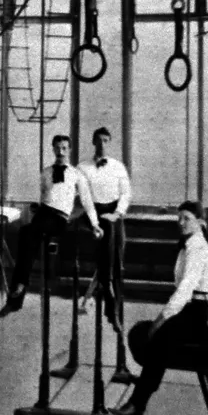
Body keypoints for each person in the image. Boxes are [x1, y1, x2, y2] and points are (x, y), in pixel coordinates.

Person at [111, 201, 208, 415]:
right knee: (142, 330)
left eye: (186, 218)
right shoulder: (190, 244)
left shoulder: (197, 248)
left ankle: (137, 403)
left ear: (200, 222)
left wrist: (163, 317)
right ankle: (148, 379)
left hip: (195, 311)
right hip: (191, 307)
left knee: (158, 335)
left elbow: (185, 290)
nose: (181, 223)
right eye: (179, 218)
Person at [0, 134, 102, 317]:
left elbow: (87, 202)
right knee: (26, 234)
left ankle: (20, 287)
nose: (61, 152)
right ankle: (15, 298)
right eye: (57, 148)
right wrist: (37, 208)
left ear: (69, 150)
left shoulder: (77, 175)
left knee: (29, 233)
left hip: (60, 219)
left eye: (64, 148)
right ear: (53, 149)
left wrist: (95, 225)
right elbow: (43, 196)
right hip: (44, 214)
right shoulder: (45, 172)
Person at [77, 126, 133, 332]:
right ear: (93, 142)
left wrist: (117, 214)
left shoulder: (118, 167)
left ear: (109, 142)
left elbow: (126, 194)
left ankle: (113, 307)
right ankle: (111, 310)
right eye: (98, 140)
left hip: (114, 214)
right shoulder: (82, 167)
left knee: (116, 263)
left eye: (106, 140)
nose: (102, 144)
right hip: (93, 213)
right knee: (106, 256)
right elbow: (85, 199)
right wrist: (94, 222)